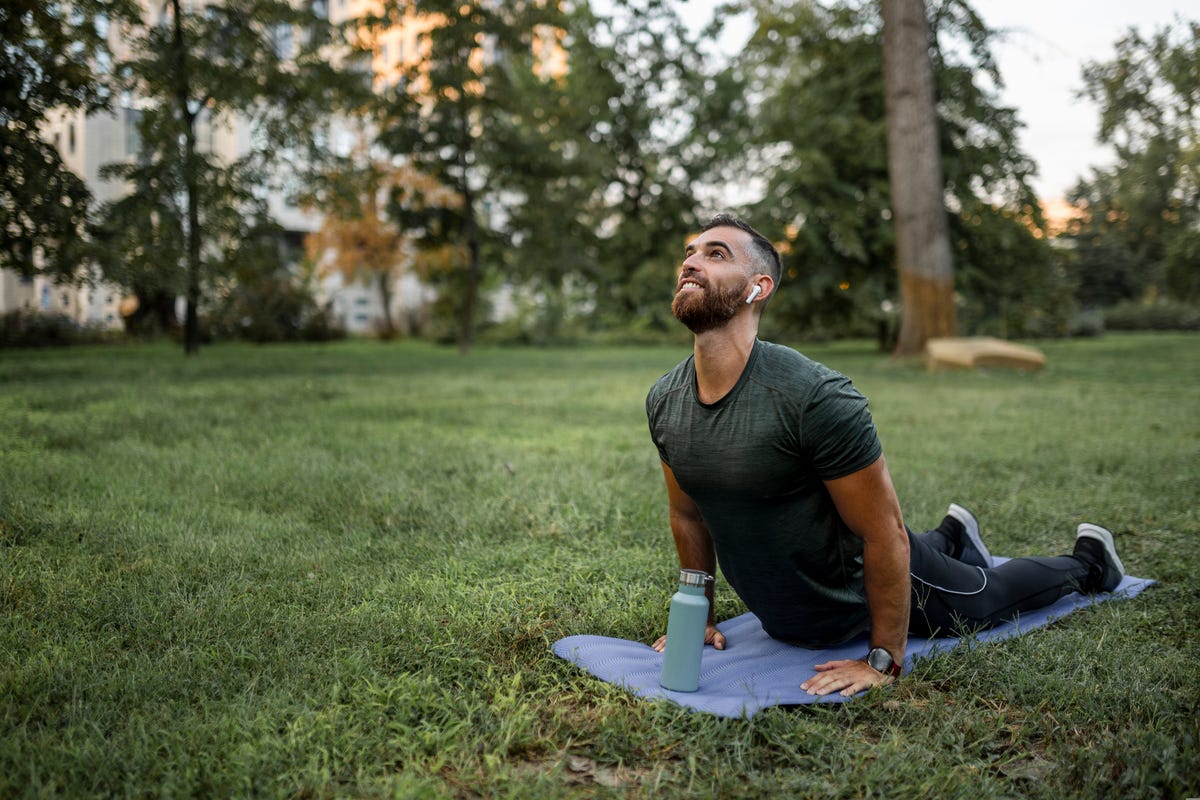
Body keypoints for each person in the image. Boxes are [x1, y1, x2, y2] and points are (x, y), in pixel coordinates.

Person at [647, 213, 1126, 697]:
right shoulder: (666, 400)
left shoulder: (813, 396)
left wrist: (884, 660)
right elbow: (688, 515)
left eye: (716, 254)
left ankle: (1089, 563)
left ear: (758, 287)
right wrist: (699, 618)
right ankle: (953, 536)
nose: (691, 262)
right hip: (800, 611)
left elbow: (883, 532)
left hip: (864, 593)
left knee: (988, 596)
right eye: (690, 252)